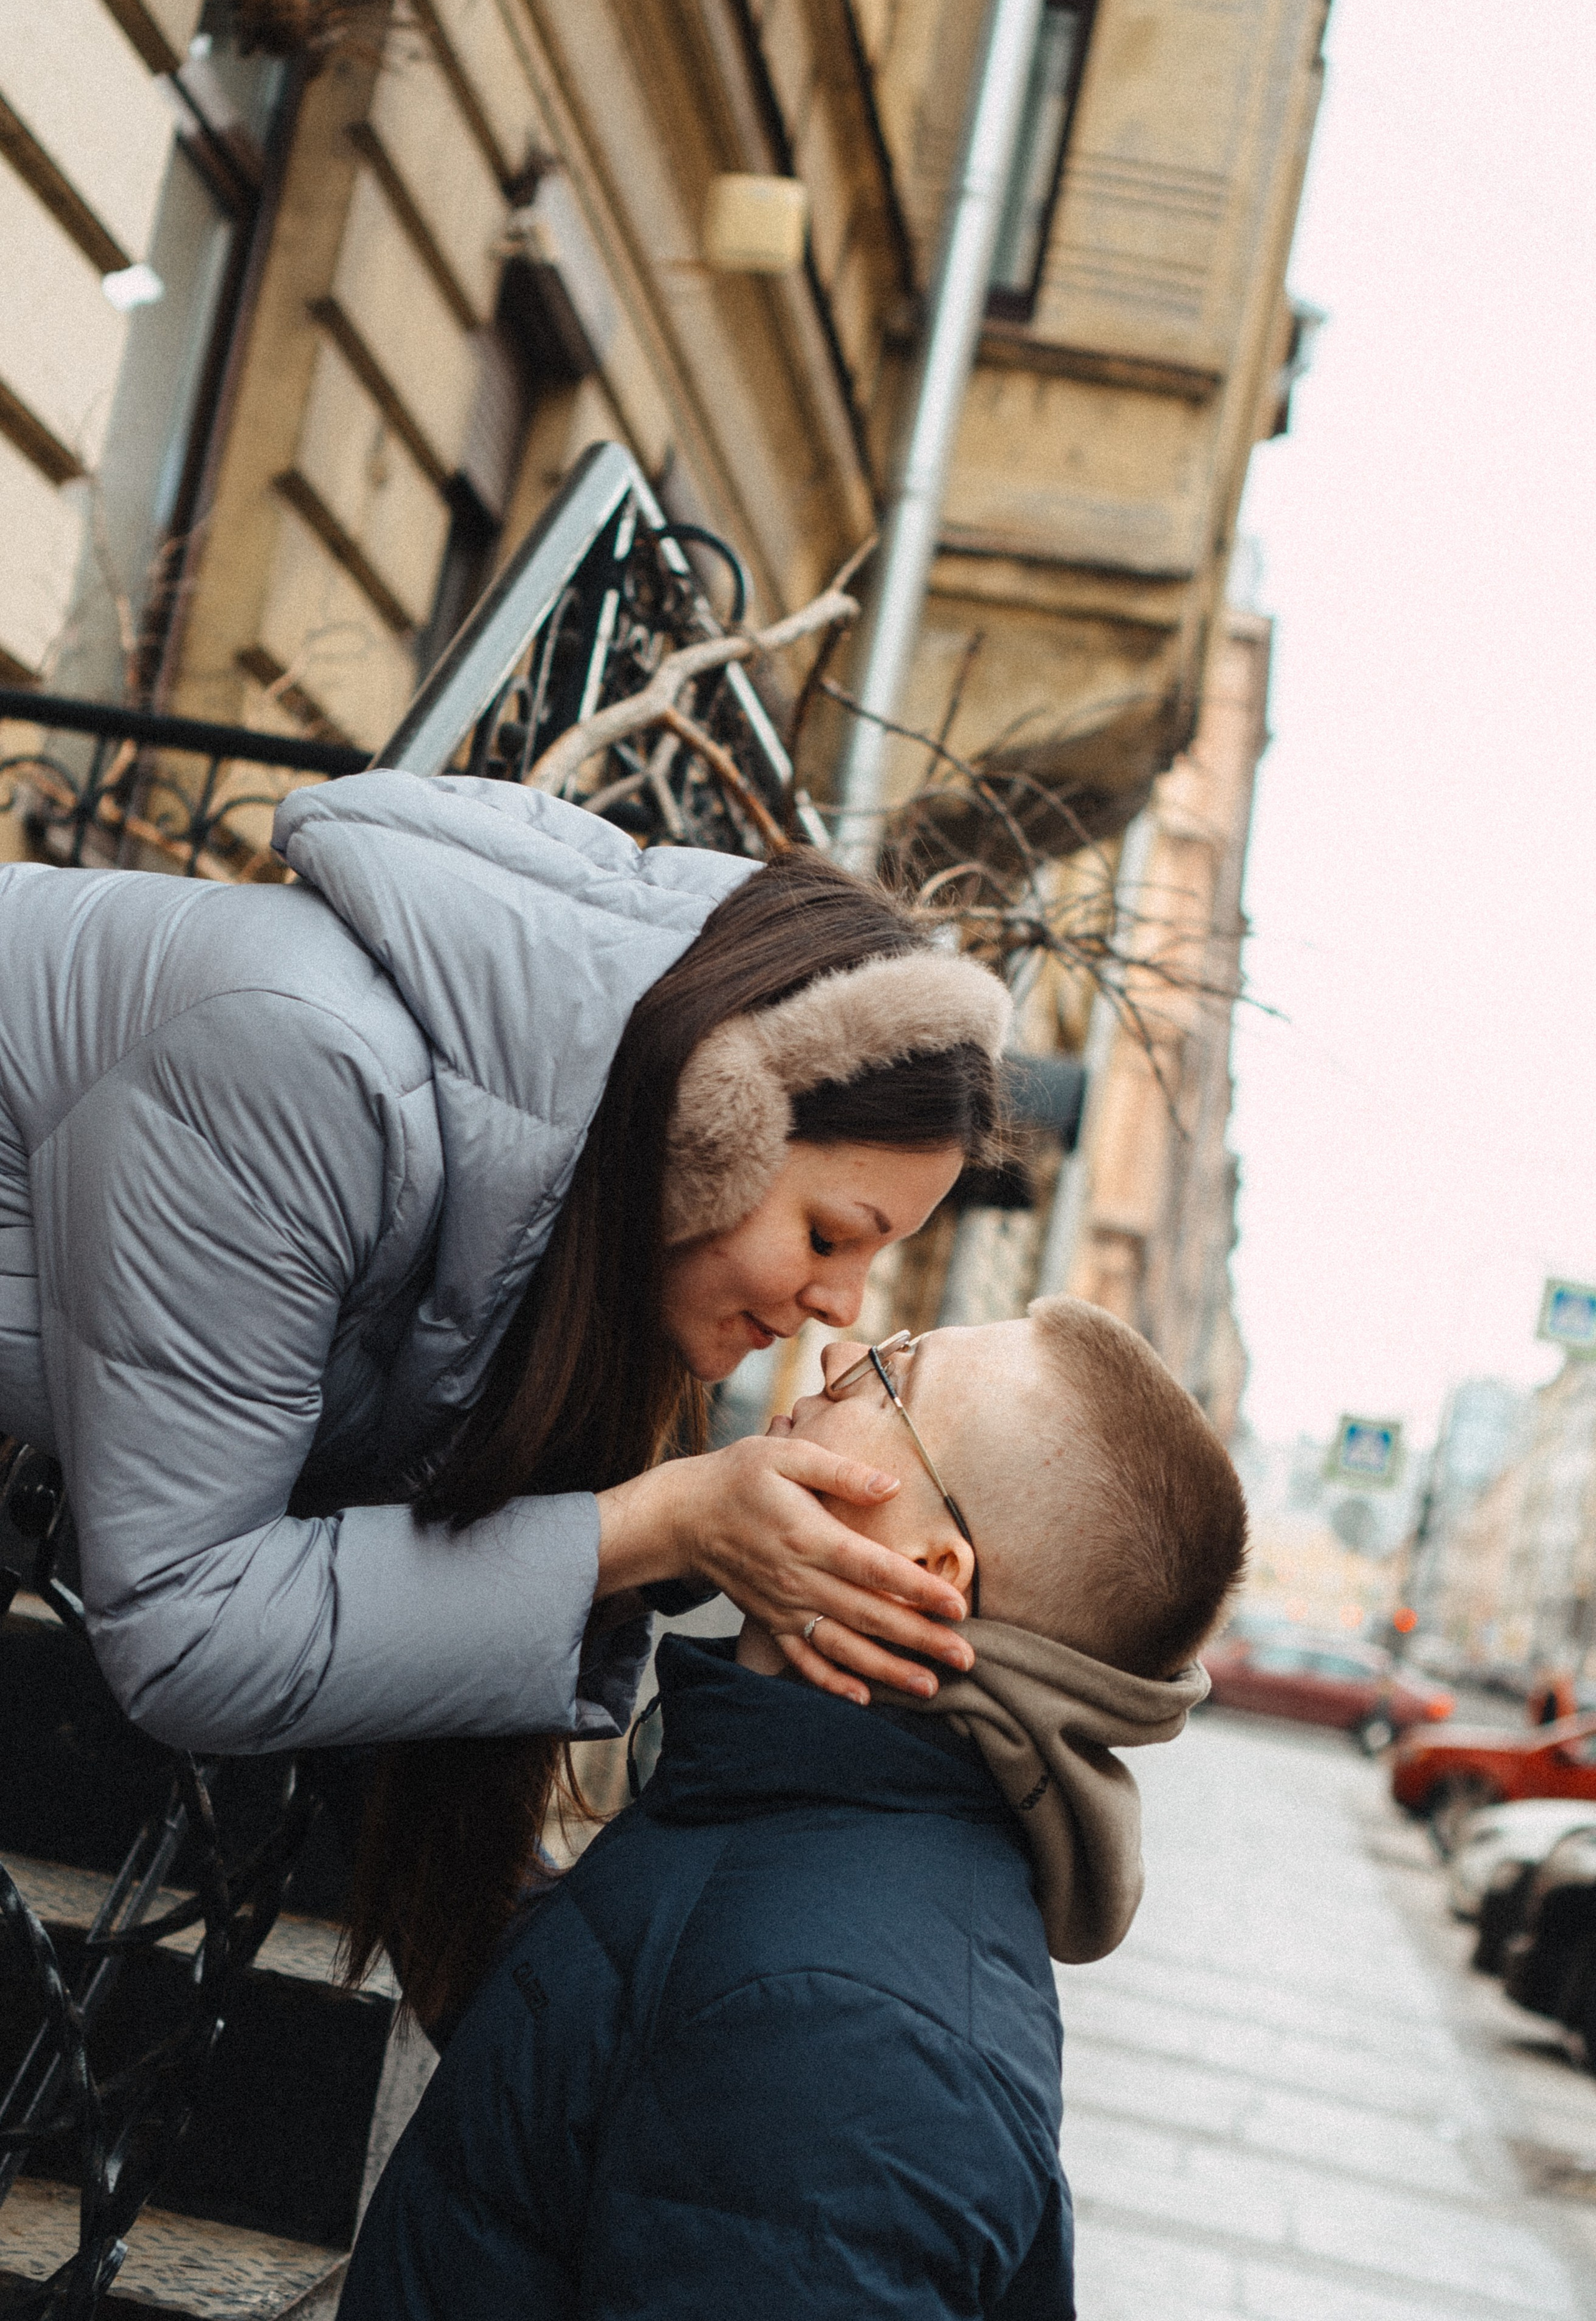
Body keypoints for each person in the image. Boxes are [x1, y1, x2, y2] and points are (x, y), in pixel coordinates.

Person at [0, 770, 1011, 2030]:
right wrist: (655, 1527)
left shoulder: (539, 1201)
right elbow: (186, 1629)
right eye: (827, 1235)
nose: (842, 1307)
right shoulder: (304, 1065)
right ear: (715, 1126)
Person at [337, 1296, 1249, 2320]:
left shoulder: (856, 2035)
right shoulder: (793, 1824)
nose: (841, 1350)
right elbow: (562, 2073)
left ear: (923, 1573)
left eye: (894, 1373)